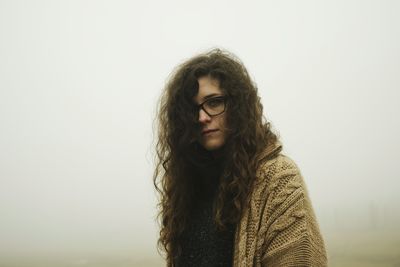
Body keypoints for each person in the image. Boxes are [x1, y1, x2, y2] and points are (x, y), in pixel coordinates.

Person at [153, 48, 327, 266]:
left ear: (238, 105)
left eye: (214, 102)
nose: (202, 117)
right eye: (192, 109)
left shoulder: (279, 179)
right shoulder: (189, 185)